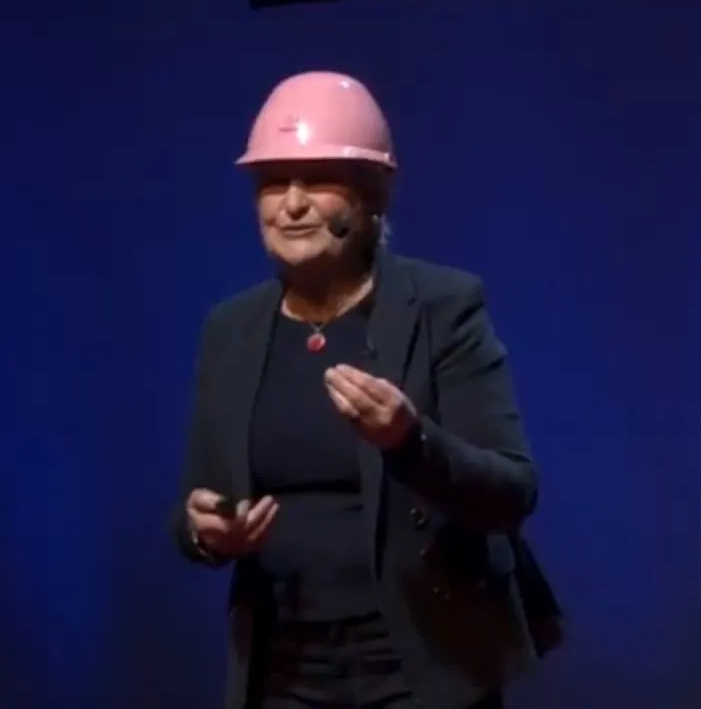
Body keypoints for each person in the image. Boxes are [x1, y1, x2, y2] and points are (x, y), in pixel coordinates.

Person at [170, 70, 562, 709]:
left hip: (421, 661)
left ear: (372, 195)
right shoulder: (230, 329)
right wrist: (206, 531)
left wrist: (410, 441)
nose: (292, 204)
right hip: (283, 666)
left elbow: (512, 491)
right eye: (273, 182)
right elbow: (195, 505)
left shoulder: (443, 305)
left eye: (318, 180)